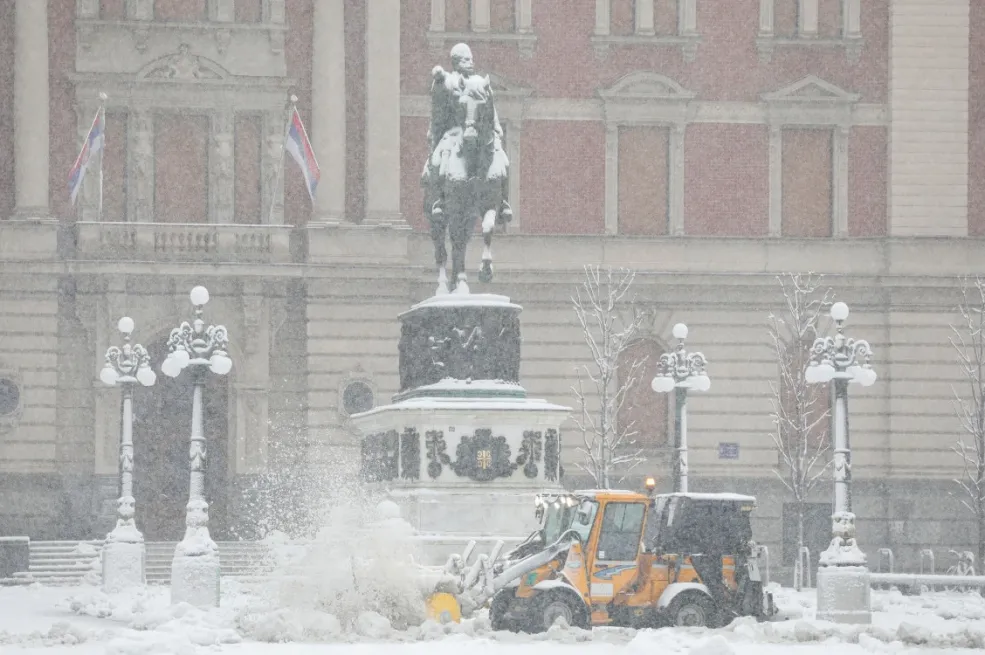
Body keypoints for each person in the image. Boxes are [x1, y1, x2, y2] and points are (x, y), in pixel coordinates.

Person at [423, 43, 513, 224]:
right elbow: (440, 94)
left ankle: (503, 201)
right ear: (455, 62)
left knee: (503, 159)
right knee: (439, 159)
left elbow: (490, 108)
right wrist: (439, 77)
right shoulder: (449, 80)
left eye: (470, 59)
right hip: (455, 130)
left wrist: (496, 127)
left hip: (480, 131)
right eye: (465, 59)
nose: (469, 62)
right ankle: (440, 199)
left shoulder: (480, 81)